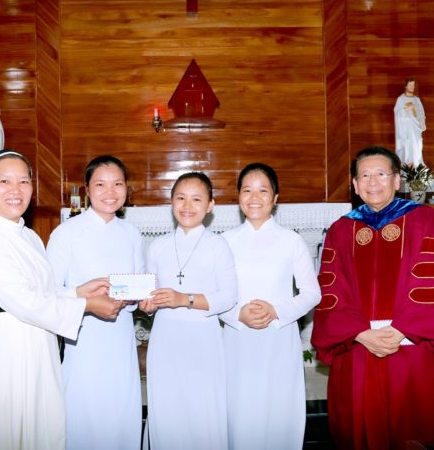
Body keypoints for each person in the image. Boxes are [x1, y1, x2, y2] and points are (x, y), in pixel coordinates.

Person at [0, 149, 122, 450]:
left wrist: (78, 291)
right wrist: (86, 305)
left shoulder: (28, 236)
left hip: (33, 342)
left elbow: (40, 292)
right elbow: (23, 300)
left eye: (24, 181)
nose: (16, 190)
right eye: (5, 181)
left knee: (35, 425)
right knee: (2, 428)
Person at [310, 145, 434, 450]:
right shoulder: (341, 229)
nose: (373, 182)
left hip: (411, 345)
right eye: (364, 175)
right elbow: (331, 290)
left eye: (381, 174)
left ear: (396, 180)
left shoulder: (425, 220)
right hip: (358, 346)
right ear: (355, 185)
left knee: (413, 427)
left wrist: (403, 329)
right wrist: (358, 332)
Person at [219, 163, 322, 450]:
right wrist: (237, 314)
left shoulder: (291, 241)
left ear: (275, 198)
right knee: (240, 410)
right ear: (238, 197)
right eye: (247, 190)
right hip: (237, 338)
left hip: (279, 336)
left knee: (279, 410)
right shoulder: (225, 242)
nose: (255, 197)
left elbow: (312, 293)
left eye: (263, 191)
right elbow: (215, 295)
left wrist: (276, 310)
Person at [45, 155, 144, 450]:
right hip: (83, 335)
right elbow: (50, 292)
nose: (110, 192)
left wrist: (132, 298)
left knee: (121, 406)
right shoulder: (66, 233)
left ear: (126, 189)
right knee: (85, 408)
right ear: (87, 189)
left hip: (121, 335)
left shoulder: (131, 234)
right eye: (100, 184)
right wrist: (88, 298)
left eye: (117, 184)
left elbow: (138, 285)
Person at [139, 172, 238, 450]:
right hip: (165, 339)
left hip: (203, 340)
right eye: (180, 198)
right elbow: (150, 294)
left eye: (196, 199)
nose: (187, 206)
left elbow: (229, 297)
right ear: (171, 202)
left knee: (202, 412)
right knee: (168, 410)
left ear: (210, 205)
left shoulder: (218, 245)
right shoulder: (157, 246)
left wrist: (184, 299)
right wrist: (147, 305)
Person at [394, 78, 426, 168]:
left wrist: (422, 122)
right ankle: (408, 165)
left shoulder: (417, 99)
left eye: (413, 85)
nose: (412, 87)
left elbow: (421, 112)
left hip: (416, 127)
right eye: (410, 85)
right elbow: (397, 112)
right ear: (406, 86)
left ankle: (417, 164)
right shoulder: (401, 99)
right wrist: (406, 109)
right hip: (406, 128)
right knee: (407, 145)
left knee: (417, 144)